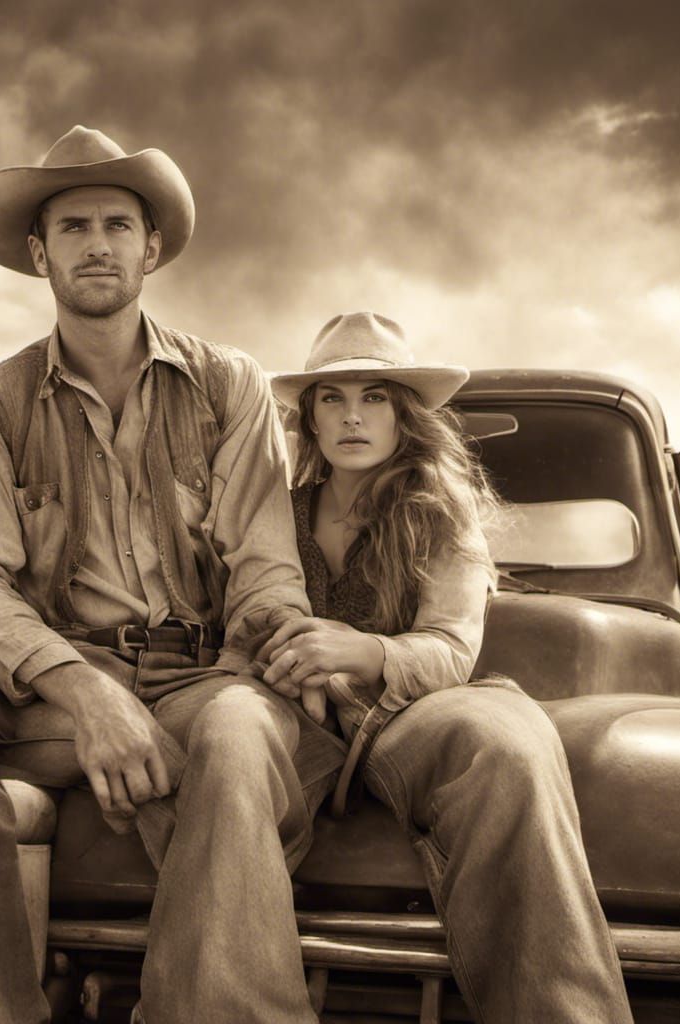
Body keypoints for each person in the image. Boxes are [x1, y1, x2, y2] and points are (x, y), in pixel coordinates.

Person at [0, 126, 345, 1024]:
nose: (98, 244)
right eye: (73, 227)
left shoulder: (226, 386)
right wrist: (88, 694)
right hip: (47, 688)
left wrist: (253, 676)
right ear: (39, 254)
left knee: (238, 728)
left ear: (150, 247)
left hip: (201, 675)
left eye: (118, 224)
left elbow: (267, 575)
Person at [261, 311, 634, 1023]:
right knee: (217, 736)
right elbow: (248, 609)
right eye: (332, 399)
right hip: (294, 720)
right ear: (308, 418)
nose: (352, 416)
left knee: (506, 740)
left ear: (405, 415)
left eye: (375, 397)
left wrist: (365, 651)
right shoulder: (275, 514)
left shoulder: (441, 514)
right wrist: (286, 657)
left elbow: (452, 650)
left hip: (410, 717)